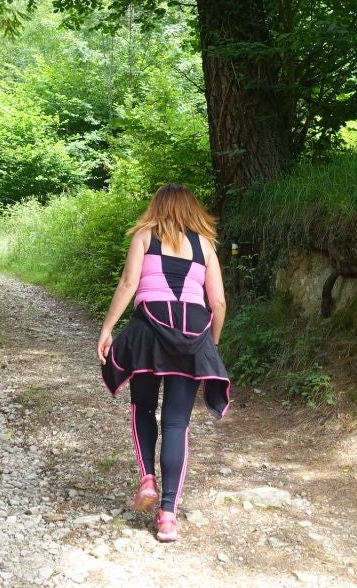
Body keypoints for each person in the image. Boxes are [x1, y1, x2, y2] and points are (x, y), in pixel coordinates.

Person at [97, 184, 230, 543]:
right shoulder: (205, 245)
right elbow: (217, 303)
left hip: (148, 336)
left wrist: (107, 328)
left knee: (142, 406)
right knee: (176, 425)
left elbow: (128, 283)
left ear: (156, 206)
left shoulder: (144, 236)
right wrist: (209, 346)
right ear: (193, 209)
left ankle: (147, 480)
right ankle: (168, 516)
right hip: (191, 338)